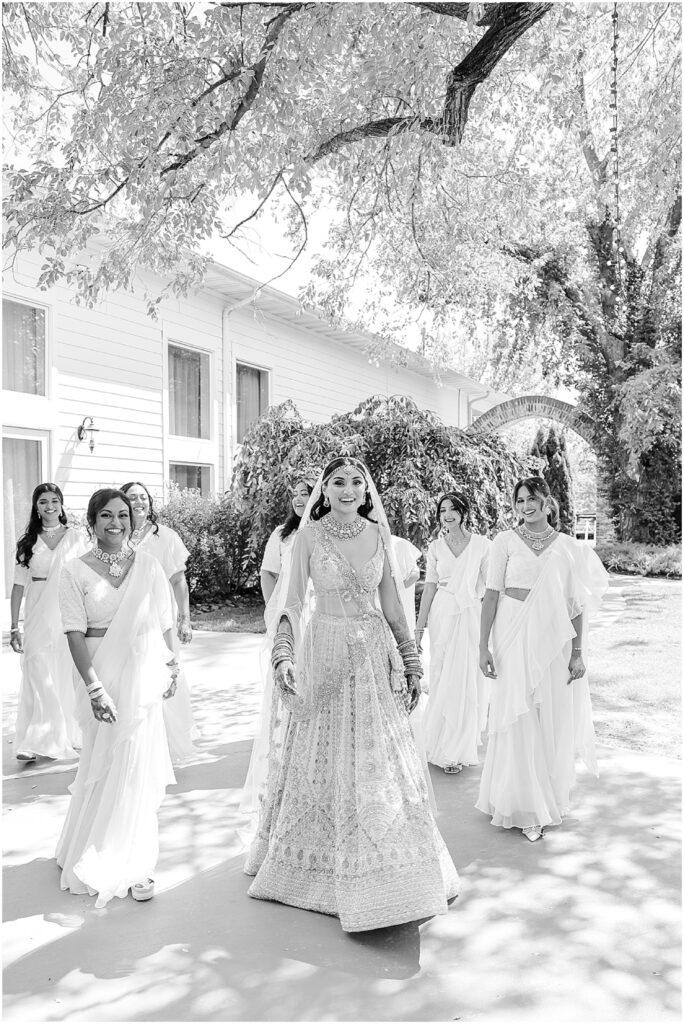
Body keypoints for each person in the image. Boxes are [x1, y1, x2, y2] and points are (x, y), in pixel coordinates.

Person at [244, 456, 460, 932]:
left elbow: (393, 606)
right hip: (324, 651)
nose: (347, 490)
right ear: (325, 490)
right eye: (337, 482)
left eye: (356, 483)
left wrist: (410, 661)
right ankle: (312, 865)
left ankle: (393, 870)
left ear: (367, 491)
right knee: (321, 756)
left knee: (378, 760)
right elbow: (293, 601)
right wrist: (284, 654)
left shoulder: (378, 535)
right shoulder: (308, 536)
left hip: (373, 658)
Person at [56, 489, 179, 906]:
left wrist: (173, 665)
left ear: (133, 519)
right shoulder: (74, 571)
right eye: (106, 515)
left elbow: (165, 620)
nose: (116, 522)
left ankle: (134, 859)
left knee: (135, 762)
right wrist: (94, 688)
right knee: (102, 758)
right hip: (98, 669)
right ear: (91, 521)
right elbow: (73, 632)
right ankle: (87, 846)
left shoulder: (148, 565)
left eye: (123, 515)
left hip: (142, 673)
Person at [476, 476, 609, 842]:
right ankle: (524, 806)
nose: (525, 506)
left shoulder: (568, 547)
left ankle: (546, 795)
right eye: (519, 500)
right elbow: (490, 596)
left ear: (548, 501)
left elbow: (577, 604)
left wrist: (579, 653)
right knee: (518, 714)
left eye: (532, 498)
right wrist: (482, 646)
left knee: (549, 714)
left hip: (554, 639)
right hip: (512, 632)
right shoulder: (503, 542)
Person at [9, 483, 89, 762]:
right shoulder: (28, 542)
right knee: (38, 670)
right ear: (36, 506)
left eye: (55, 500)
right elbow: (18, 586)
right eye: (43, 501)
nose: (50, 506)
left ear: (62, 504)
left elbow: (87, 578)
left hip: (68, 612)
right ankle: (34, 740)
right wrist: (14, 625)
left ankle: (66, 733)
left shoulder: (77, 539)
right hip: (37, 614)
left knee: (65, 672)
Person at [120, 481, 198, 764]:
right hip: (126, 619)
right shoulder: (117, 535)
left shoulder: (165, 537)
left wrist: (184, 618)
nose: (138, 502)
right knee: (133, 678)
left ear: (150, 502)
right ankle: (137, 742)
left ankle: (166, 744)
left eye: (143, 497)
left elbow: (178, 579)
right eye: (132, 497)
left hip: (160, 617)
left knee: (167, 674)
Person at [415, 492, 491, 774]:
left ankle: (457, 750)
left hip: (470, 612)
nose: (447, 515)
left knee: (466, 678)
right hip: (442, 612)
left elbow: (490, 589)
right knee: (443, 673)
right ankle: (440, 743)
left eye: (453, 509)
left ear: (464, 512)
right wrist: (418, 628)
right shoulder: (435, 547)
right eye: (442, 510)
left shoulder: (483, 546)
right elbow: (430, 587)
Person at [260, 479, 314, 604]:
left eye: (304, 494)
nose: (297, 499)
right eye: (295, 495)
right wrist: (273, 611)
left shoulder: (327, 532)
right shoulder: (282, 533)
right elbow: (268, 573)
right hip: (288, 606)